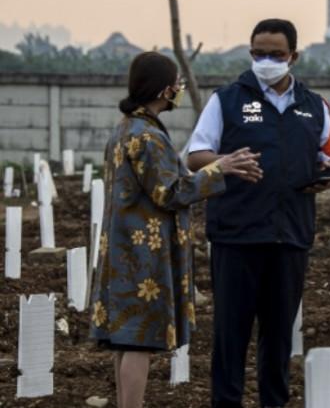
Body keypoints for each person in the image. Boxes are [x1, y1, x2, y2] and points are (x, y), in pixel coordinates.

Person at [90, 52, 262, 408]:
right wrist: (220, 169)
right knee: (139, 340)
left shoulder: (126, 128)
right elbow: (169, 192)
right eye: (176, 84)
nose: (179, 90)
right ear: (163, 89)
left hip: (124, 247)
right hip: (144, 255)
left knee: (127, 339)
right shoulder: (148, 136)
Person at [187, 19, 330, 408]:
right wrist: (225, 162)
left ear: (294, 57)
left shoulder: (314, 106)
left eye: (276, 54)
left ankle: (274, 402)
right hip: (236, 234)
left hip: (290, 235)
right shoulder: (227, 100)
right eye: (259, 54)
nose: (266, 61)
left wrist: (324, 176)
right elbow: (195, 155)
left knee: (279, 335)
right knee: (231, 333)